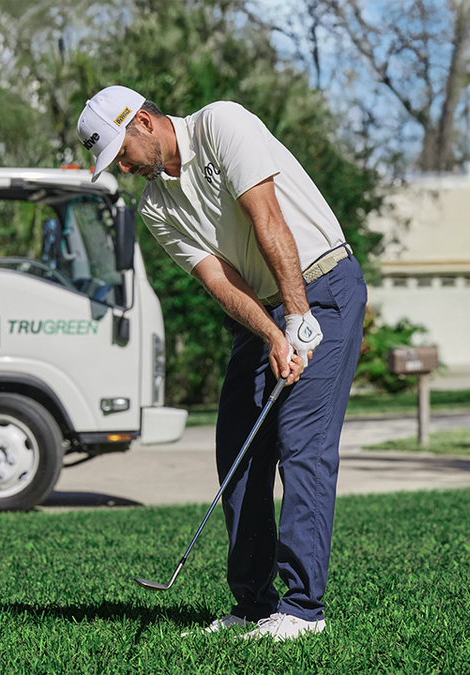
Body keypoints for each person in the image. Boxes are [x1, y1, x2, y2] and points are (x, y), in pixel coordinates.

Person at [76, 85, 367, 641]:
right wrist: (273, 333)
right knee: (237, 449)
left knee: (302, 444)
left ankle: (303, 609)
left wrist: (299, 316)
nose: (122, 167)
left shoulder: (222, 124)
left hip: (322, 287)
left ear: (142, 122)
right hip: (262, 311)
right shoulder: (156, 207)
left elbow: (269, 221)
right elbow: (219, 280)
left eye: (121, 153)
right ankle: (254, 606)